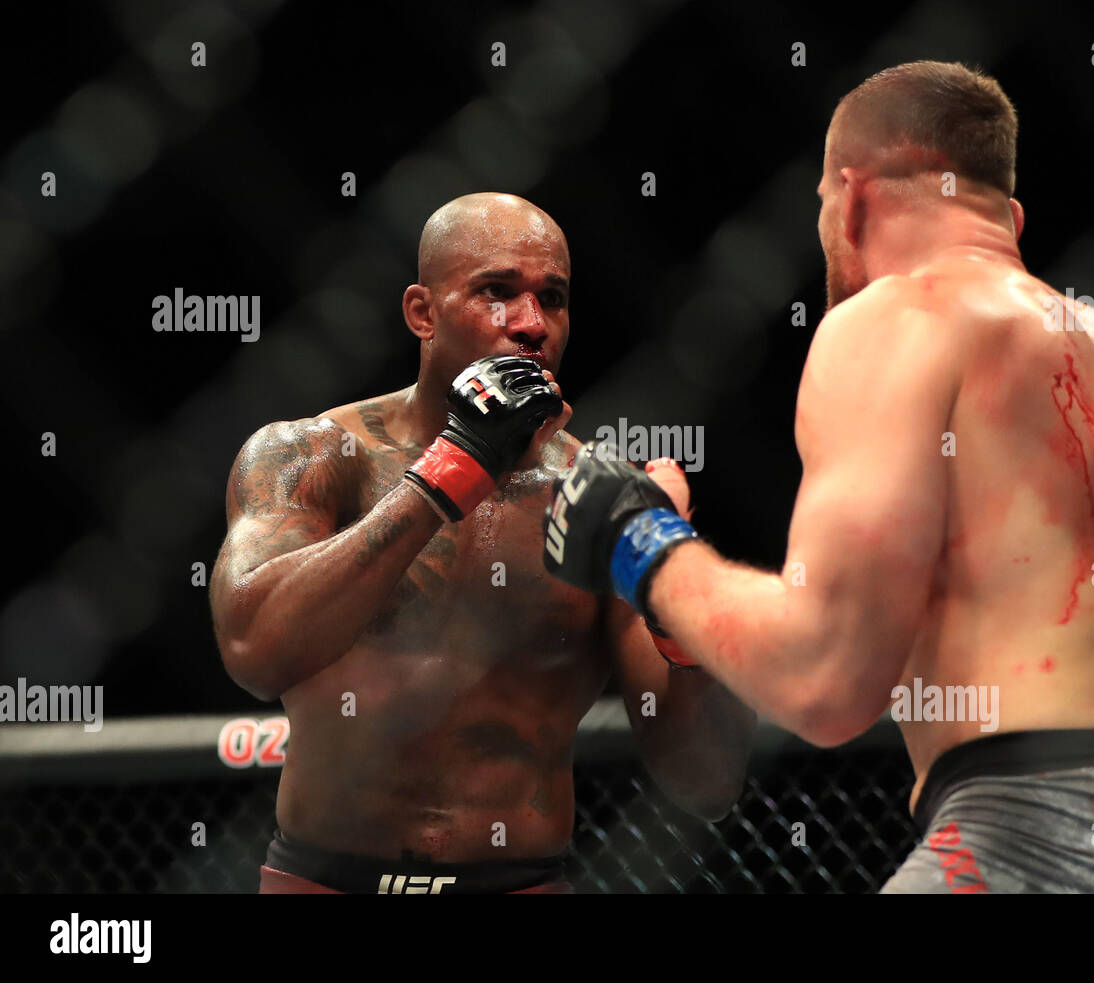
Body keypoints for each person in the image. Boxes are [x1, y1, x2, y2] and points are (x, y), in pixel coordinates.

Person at [545, 62, 1094, 892]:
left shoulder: (897, 316)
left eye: (819, 207)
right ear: (1006, 216)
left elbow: (826, 676)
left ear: (855, 195)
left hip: (1035, 834)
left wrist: (639, 539)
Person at [210, 192, 754, 894]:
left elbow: (704, 780)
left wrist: (673, 596)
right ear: (422, 313)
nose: (529, 324)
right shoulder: (315, 456)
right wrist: (448, 471)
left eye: (551, 299)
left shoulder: (599, 501)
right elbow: (255, 650)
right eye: (496, 292)